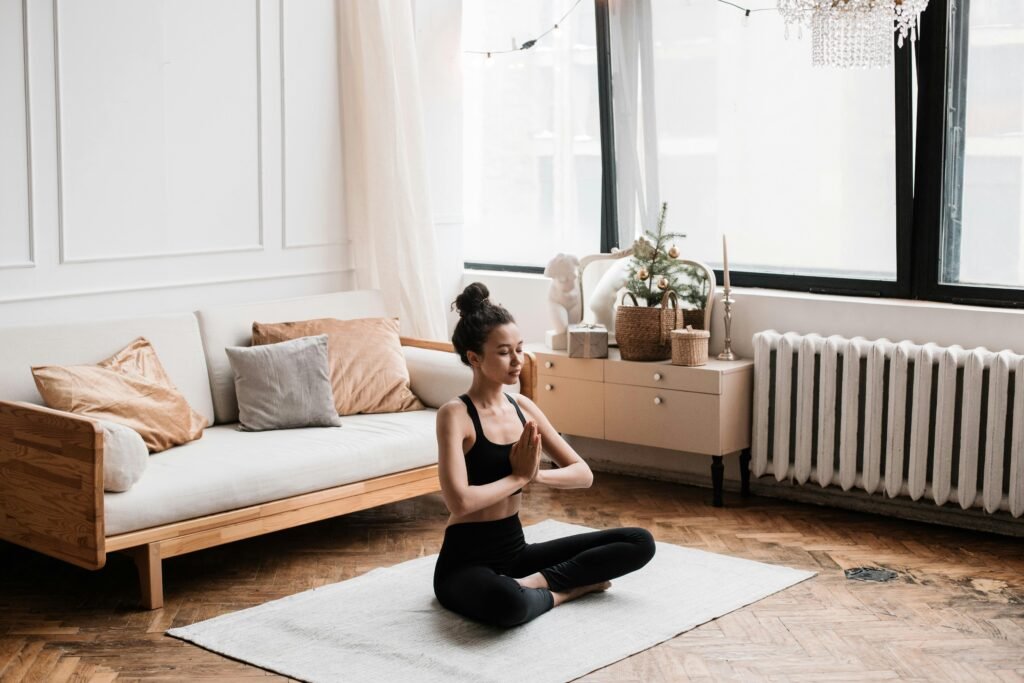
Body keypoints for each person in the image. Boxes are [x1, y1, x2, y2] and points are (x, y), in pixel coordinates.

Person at [433, 282, 656, 628]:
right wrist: (518, 478)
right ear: (474, 358)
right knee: (507, 604)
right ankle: (567, 591)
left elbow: (583, 474)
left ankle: (536, 584)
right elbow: (458, 502)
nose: (517, 360)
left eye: (519, 349)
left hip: (515, 551)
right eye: (504, 352)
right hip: (465, 563)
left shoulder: (523, 407)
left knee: (639, 542)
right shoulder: (455, 415)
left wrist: (537, 476)